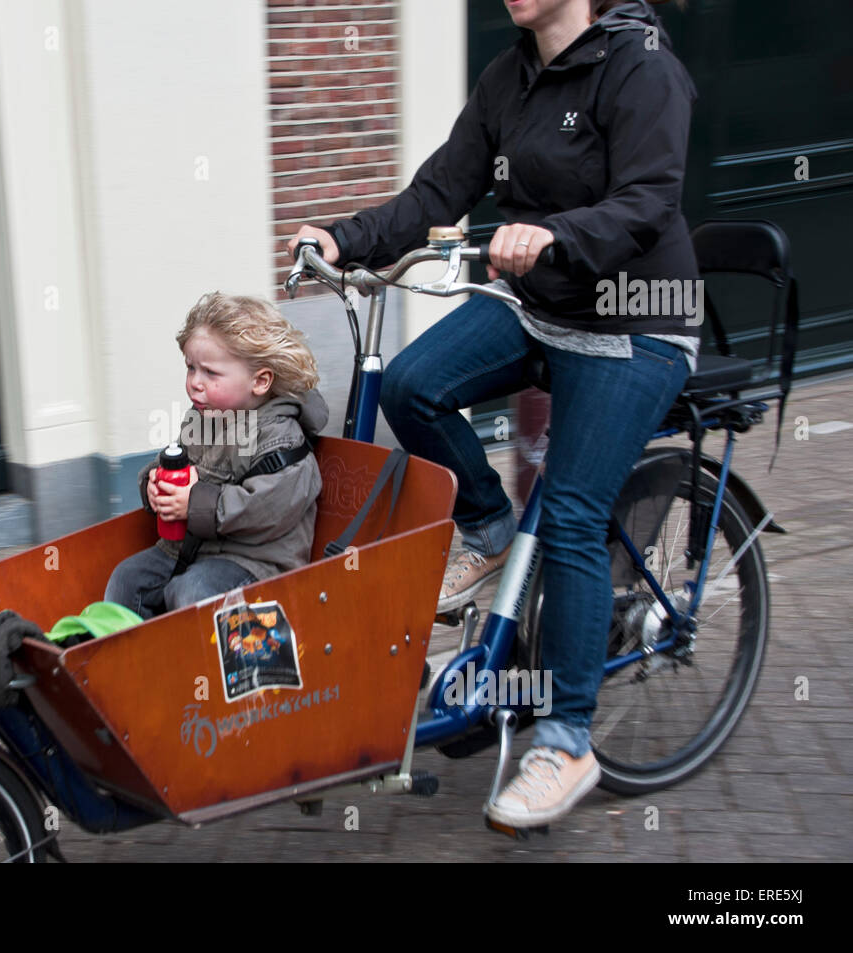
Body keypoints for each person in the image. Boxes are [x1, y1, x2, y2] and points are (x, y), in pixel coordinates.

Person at [286, 0, 696, 827]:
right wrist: (342, 236)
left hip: (635, 319)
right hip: (542, 307)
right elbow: (440, 188)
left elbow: (647, 202)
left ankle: (566, 740)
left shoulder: (642, 65)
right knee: (412, 385)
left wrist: (552, 235)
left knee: (575, 515)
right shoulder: (509, 75)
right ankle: (489, 527)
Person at [105, 291, 328, 620]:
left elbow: (265, 509)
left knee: (191, 591)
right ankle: (134, 662)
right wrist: (153, 483)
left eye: (210, 373)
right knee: (127, 579)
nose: (195, 383)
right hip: (191, 551)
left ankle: (199, 666)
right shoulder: (204, 419)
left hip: (254, 564)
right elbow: (175, 461)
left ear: (260, 381)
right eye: (190, 368)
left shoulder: (280, 438)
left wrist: (191, 504)